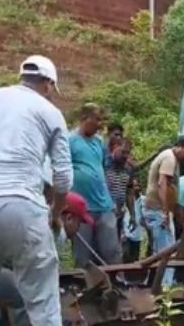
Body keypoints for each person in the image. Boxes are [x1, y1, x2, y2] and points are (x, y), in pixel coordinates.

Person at [0, 55, 73, 326]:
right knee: (43, 304)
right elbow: (64, 178)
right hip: (24, 208)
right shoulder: (49, 112)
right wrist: (56, 213)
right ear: (47, 83)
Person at [0, 193, 94, 326]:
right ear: (69, 218)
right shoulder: (54, 232)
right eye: (79, 222)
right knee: (25, 296)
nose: (79, 229)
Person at [70, 103, 122, 267]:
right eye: (97, 120)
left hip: (104, 205)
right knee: (83, 254)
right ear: (84, 118)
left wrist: (110, 198)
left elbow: (100, 171)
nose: (100, 125)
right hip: (82, 208)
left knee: (112, 251)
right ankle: (84, 289)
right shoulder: (69, 140)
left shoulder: (99, 142)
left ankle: (115, 286)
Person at [144, 137, 184, 287]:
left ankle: (155, 285)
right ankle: (166, 288)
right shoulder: (169, 158)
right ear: (178, 146)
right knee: (166, 251)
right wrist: (166, 212)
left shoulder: (172, 159)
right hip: (158, 210)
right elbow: (162, 184)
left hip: (158, 210)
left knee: (160, 251)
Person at [106, 138, 134, 240]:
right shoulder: (104, 164)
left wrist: (133, 215)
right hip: (103, 213)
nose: (125, 156)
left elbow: (129, 193)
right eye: (123, 152)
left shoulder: (128, 169)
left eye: (128, 153)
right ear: (114, 148)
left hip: (119, 215)